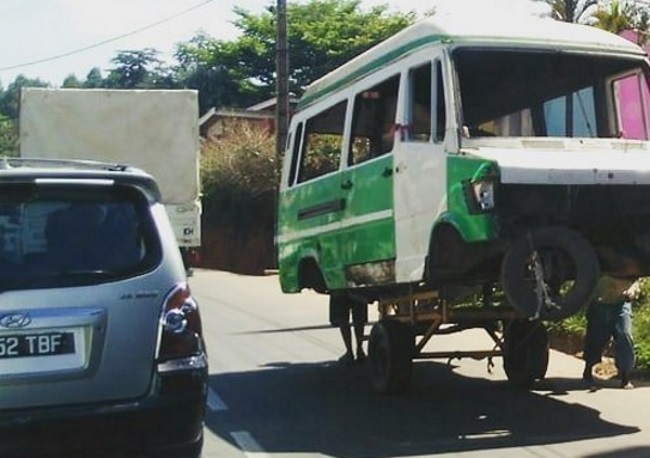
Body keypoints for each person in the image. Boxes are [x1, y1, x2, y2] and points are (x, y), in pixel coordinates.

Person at [582, 275, 640, 389]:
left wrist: (633, 290)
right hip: (599, 302)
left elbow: (637, 278)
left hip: (621, 303)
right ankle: (588, 367)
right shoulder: (602, 257)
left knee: (625, 335)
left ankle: (625, 375)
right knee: (595, 337)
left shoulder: (629, 259)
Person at [329, 292, 368, 365]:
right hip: (357, 288)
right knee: (359, 318)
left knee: (342, 318)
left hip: (340, 287)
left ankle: (349, 351)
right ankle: (360, 349)